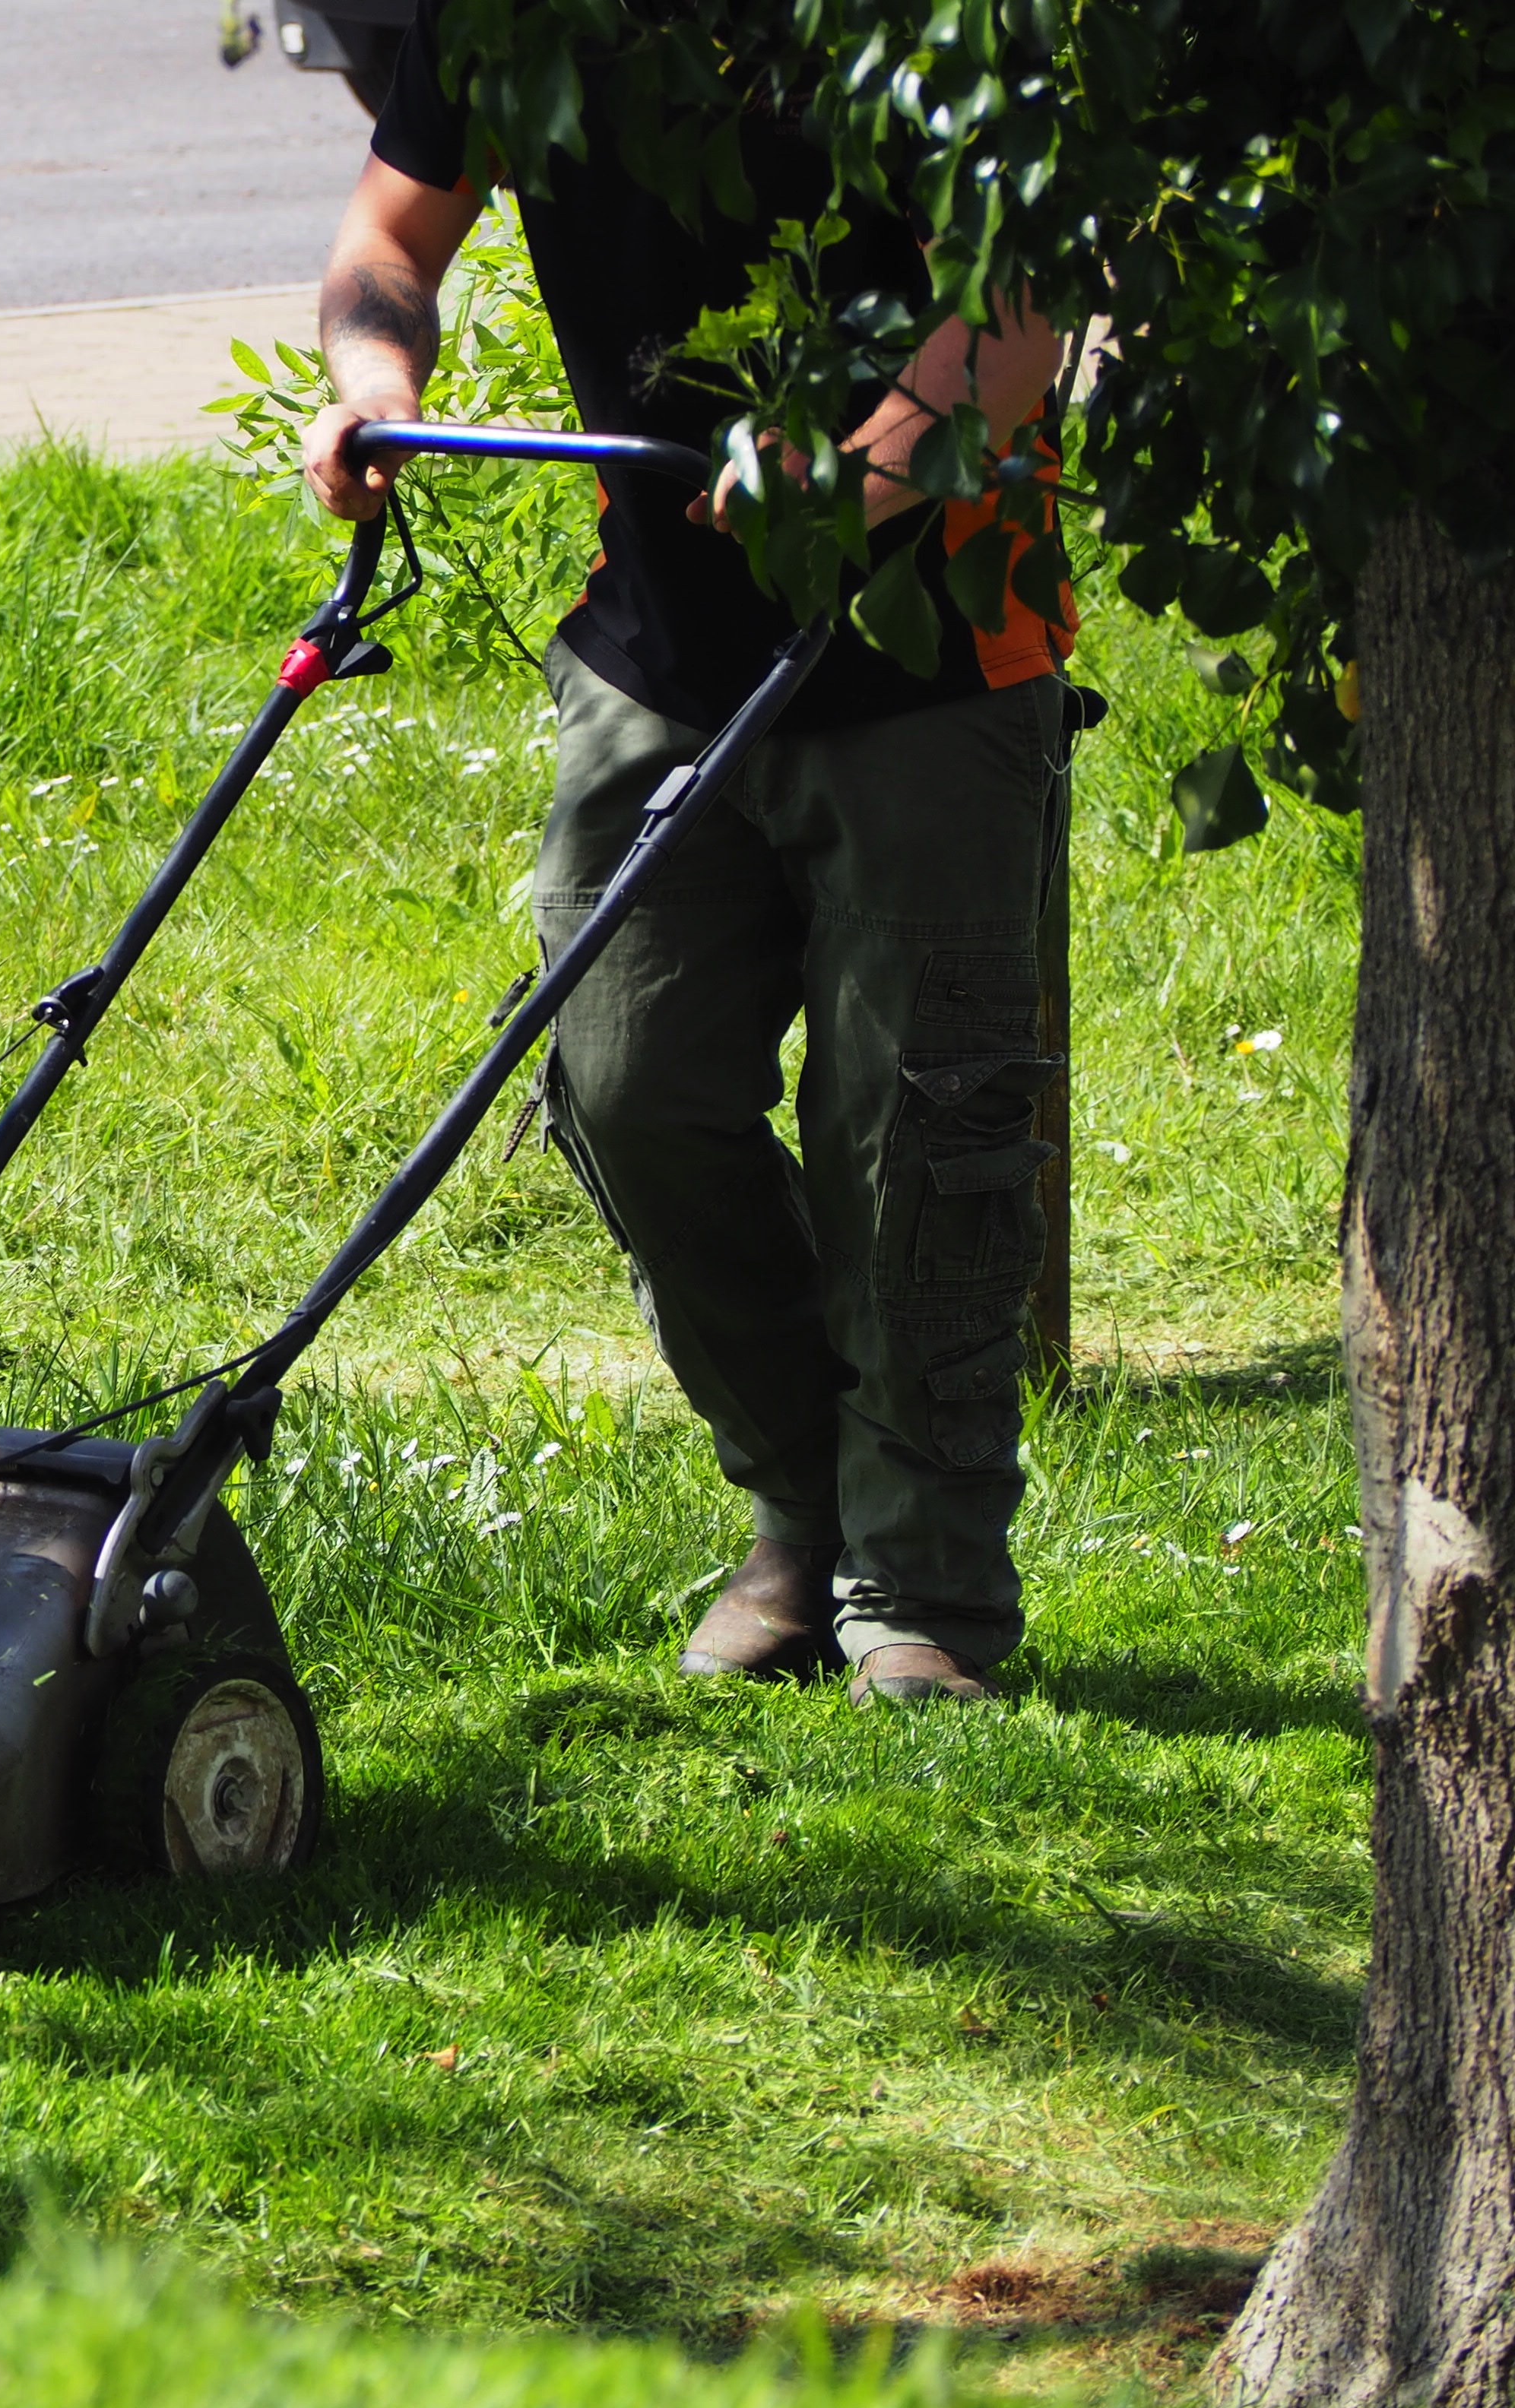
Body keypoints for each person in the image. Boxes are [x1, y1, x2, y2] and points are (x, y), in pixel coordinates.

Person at [302, 5, 1076, 1705]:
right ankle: (809, 1505)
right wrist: (376, 385)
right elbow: (390, 230)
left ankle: (927, 1588)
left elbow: (1025, 300)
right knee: (625, 1080)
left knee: (921, 1135)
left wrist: (855, 479)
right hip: (656, 659)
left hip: (938, 656)